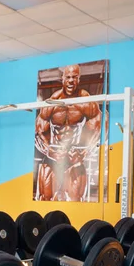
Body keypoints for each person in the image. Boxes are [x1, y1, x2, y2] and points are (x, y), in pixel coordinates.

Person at [34, 64, 102, 202]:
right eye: (68, 77)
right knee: (45, 198)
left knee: (76, 199)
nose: (71, 81)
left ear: (79, 79)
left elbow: (99, 128)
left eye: (74, 77)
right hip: (53, 157)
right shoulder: (53, 102)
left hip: (74, 157)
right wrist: (49, 151)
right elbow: (38, 132)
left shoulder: (86, 101)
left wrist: (84, 153)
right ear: (62, 79)